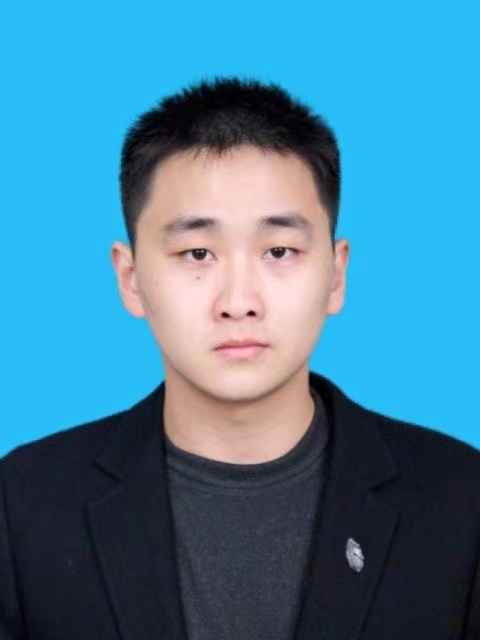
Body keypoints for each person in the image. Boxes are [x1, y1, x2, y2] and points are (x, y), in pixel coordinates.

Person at [1, 77, 479, 640]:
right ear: (130, 279)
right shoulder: (24, 503)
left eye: (279, 250)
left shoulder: (460, 499)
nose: (238, 302)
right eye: (197, 253)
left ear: (336, 273)